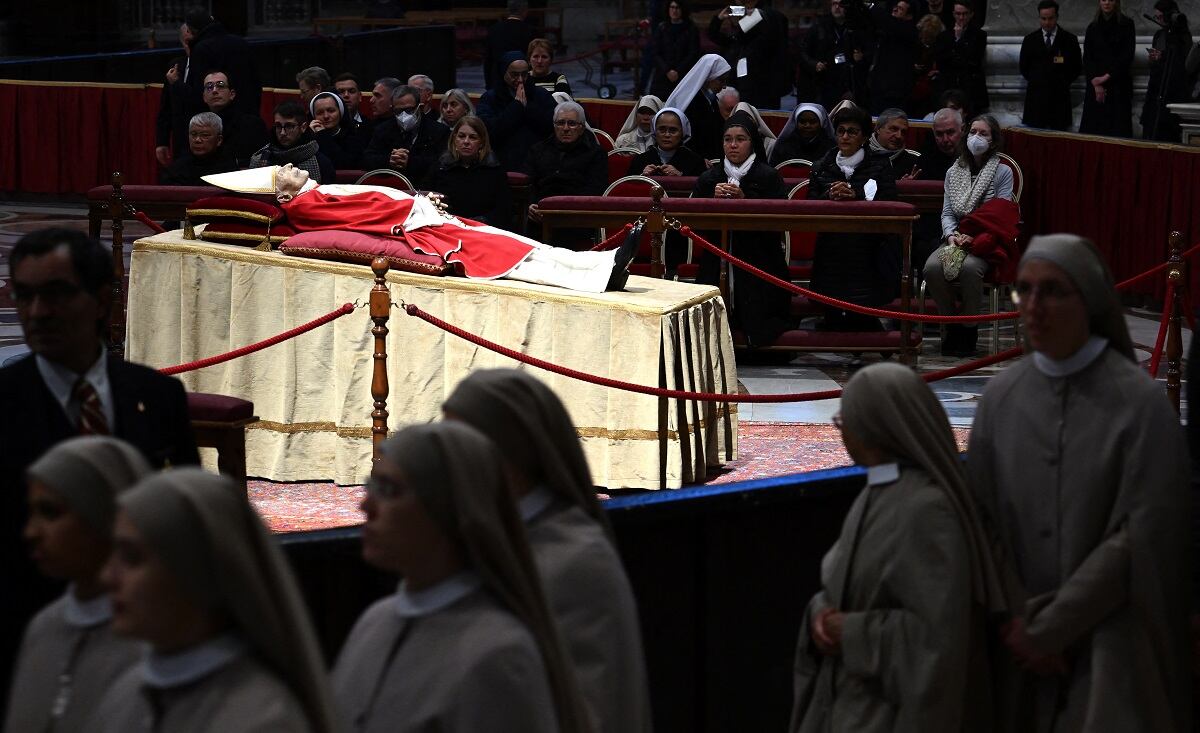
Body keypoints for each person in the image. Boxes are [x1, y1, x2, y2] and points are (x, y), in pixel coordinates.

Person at [967, 234, 1191, 733]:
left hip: (1112, 638)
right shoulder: (1002, 398)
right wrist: (1017, 621)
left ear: (1089, 299)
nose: (1034, 306)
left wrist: (1054, 627)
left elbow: (1144, 535)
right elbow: (981, 522)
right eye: (1025, 290)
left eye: (1052, 291)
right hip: (1015, 642)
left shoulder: (1139, 403)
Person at [0, 227, 199, 722]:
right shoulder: (2, 403)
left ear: (102, 299)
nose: (37, 313)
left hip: (149, 641)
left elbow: (185, 516)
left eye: (56, 293)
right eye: (24, 296)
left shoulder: (157, 397)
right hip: (27, 640)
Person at [331, 422, 593, 733]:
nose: (365, 505)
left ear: (446, 507)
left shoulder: (498, 657)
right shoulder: (374, 622)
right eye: (371, 486)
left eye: (389, 490)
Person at [790, 362, 1009, 733]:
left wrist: (851, 632)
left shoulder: (928, 511)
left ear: (879, 429)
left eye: (848, 420)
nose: (840, 429)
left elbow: (938, 641)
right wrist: (821, 614)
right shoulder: (880, 487)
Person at [443, 369, 653, 733]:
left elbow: (592, 705)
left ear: (509, 451)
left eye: (458, 445)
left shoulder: (573, 559)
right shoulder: (496, 531)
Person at [93, 469, 338, 732]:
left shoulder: (261, 719)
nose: (107, 577)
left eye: (131, 559)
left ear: (197, 572)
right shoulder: (124, 692)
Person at [206, 164, 639, 294]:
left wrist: (419, 203)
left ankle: (603, 266)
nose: (290, 166)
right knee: (512, 257)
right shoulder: (305, 205)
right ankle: (599, 277)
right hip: (417, 230)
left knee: (517, 242)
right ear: (281, 196)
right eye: (283, 171)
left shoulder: (312, 190)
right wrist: (415, 211)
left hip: (421, 216)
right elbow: (360, 216)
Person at [4, 437, 150, 733]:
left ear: (105, 515)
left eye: (50, 512)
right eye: (30, 513)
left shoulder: (155, 640)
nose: (30, 532)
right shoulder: (43, 628)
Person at [921, 113, 1016, 356]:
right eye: (973, 132)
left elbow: (1000, 213)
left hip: (985, 240)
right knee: (931, 268)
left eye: (983, 133)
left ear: (993, 141)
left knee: (969, 269)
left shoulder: (1002, 172)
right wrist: (952, 236)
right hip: (956, 239)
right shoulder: (954, 172)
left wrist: (974, 237)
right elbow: (947, 213)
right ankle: (953, 324)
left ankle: (969, 327)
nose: (976, 137)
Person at [694, 113, 791, 346]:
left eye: (740, 139)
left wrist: (746, 200)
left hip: (759, 257)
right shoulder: (710, 178)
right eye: (728, 139)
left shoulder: (768, 176)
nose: (733, 145)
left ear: (753, 142)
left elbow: (782, 218)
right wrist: (710, 200)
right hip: (717, 256)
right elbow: (693, 221)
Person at [808, 104, 900, 332]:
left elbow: (889, 202)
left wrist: (856, 196)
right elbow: (809, 205)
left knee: (863, 317)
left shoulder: (880, 165)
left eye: (852, 131)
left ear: (864, 137)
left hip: (868, 245)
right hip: (831, 244)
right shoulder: (822, 166)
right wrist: (828, 196)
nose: (845, 136)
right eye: (841, 131)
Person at [626, 107, 705, 272]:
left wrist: (682, 176)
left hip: (680, 227)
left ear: (682, 133)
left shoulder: (695, 161)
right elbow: (626, 192)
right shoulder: (641, 160)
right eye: (662, 129)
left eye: (673, 130)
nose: (667, 134)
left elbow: (701, 196)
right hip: (645, 224)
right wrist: (641, 176)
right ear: (655, 132)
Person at [526, 101, 608, 247]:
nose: (565, 128)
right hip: (539, 219)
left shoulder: (596, 154)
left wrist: (563, 211)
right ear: (554, 125)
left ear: (582, 127)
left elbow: (595, 190)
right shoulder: (538, 150)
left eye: (571, 123)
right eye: (560, 123)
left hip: (576, 220)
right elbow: (529, 183)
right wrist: (530, 205)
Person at [425, 116, 513, 227]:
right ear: (454, 139)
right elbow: (427, 202)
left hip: (484, 230)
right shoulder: (441, 168)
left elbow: (503, 210)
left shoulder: (494, 170)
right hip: (447, 228)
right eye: (461, 136)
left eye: (472, 137)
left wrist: (480, 222)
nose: (466, 142)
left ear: (481, 142)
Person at [477, 52, 557, 173]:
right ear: (503, 72)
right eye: (514, 75)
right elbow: (489, 132)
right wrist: (516, 107)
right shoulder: (490, 98)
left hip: (538, 161)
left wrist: (528, 108)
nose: (520, 80)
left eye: (524, 74)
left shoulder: (541, 94)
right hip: (501, 162)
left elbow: (552, 126)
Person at [707, 0, 790, 109]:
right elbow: (714, 36)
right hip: (738, 84)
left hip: (761, 85)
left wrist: (749, 17)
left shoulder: (767, 18)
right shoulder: (737, 40)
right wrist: (719, 19)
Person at [360, 84, 449, 186]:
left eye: (409, 110)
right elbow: (367, 159)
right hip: (392, 188)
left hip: (426, 187)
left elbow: (442, 163)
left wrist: (410, 161)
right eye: (398, 111)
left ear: (420, 107)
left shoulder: (439, 131)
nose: (403, 115)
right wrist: (390, 160)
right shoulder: (382, 129)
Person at [183, 8, 260, 117]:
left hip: (216, 118)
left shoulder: (201, 49)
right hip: (247, 112)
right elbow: (255, 81)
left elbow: (198, 89)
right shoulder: (241, 43)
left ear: (191, 30)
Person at [1019, 0, 1083, 130]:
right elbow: (1024, 67)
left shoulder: (1069, 40)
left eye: (1050, 18)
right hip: (1036, 101)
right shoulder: (1030, 40)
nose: (1047, 22)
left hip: (1060, 100)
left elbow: (1076, 67)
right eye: (1043, 18)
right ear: (1039, 18)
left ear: (1057, 17)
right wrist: (1038, 81)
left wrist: (1062, 82)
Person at [798, 0, 871, 112]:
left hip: (847, 82)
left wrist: (860, 58)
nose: (837, 7)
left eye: (840, 4)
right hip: (823, 81)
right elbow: (802, 51)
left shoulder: (855, 27)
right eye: (834, 4)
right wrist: (815, 64)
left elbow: (867, 51)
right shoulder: (819, 26)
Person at [1078, 0, 1135, 137]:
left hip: (1118, 85)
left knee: (1117, 132)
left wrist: (1106, 77)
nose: (1107, 3)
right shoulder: (1093, 27)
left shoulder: (1126, 25)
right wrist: (1096, 83)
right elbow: (1088, 58)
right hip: (1096, 87)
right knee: (1094, 132)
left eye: (1111, 0)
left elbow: (1127, 56)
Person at [663, 53, 733, 161]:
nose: (724, 86)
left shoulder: (711, 99)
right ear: (708, 77)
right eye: (721, 80)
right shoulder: (691, 101)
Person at [1141, 0, 1193, 141]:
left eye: (1160, 17)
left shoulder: (1182, 37)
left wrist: (1162, 56)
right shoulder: (1159, 35)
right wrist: (1153, 59)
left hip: (1172, 92)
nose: (1157, 20)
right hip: (1156, 88)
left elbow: (1184, 65)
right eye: (1156, 17)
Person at [250, 100, 335, 185]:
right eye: (278, 126)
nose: (282, 133)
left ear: (303, 127)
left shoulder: (321, 162)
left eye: (289, 126)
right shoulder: (261, 159)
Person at [199, 70, 269, 167]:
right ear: (204, 97)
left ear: (232, 94)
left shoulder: (253, 125)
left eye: (220, 85)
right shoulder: (197, 126)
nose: (215, 90)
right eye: (209, 87)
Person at [868, 0, 919, 115]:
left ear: (909, 15)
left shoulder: (909, 31)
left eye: (900, 9)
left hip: (897, 91)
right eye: (895, 7)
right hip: (879, 87)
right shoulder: (888, 30)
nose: (895, 10)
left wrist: (871, 6)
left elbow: (888, 22)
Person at [937, 3, 989, 113]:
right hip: (949, 86)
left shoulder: (980, 35)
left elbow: (973, 59)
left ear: (971, 14)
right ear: (953, 14)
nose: (961, 17)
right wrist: (957, 40)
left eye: (965, 14)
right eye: (958, 14)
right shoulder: (944, 36)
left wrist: (959, 40)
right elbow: (942, 62)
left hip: (971, 88)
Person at [160, 112, 238, 186]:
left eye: (205, 135)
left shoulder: (228, 171)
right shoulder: (176, 169)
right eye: (193, 134)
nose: (197, 140)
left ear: (219, 140)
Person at [154, 23, 192, 169]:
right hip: (181, 141)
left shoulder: (211, 66)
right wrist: (162, 141)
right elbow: (166, 108)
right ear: (182, 43)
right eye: (188, 42)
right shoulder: (175, 66)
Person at [649, 0, 700, 100]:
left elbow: (693, 53)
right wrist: (667, 70)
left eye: (677, 8)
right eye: (672, 7)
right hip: (663, 74)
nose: (674, 10)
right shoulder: (662, 28)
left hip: (683, 74)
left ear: (682, 10)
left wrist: (677, 71)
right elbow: (655, 52)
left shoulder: (691, 29)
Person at [309, 91, 370, 171]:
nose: (326, 116)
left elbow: (342, 164)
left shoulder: (353, 137)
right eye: (320, 113)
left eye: (331, 111)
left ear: (340, 112)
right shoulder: (309, 139)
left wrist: (323, 135)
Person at [486, 0, 535, 90]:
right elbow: (532, 59)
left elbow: (488, 60)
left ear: (508, 10)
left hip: (497, 80)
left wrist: (488, 85)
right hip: (521, 81)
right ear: (525, 11)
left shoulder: (494, 29)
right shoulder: (530, 30)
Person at [769, 103, 835, 165]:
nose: (807, 125)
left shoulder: (831, 147)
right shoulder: (784, 145)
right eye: (802, 121)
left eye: (812, 122)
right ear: (796, 123)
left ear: (821, 123)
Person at [868, 108, 922, 180]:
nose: (899, 136)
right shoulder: (859, 153)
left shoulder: (914, 160)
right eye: (893, 129)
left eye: (903, 132)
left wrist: (908, 187)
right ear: (878, 129)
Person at [911, 13, 947, 118]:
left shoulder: (940, 47)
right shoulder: (916, 46)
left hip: (932, 91)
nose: (923, 37)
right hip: (916, 89)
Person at [918, 106, 963, 180]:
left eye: (950, 132)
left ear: (962, 130)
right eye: (939, 134)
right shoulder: (925, 160)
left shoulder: (974, 158)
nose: (945, 139)